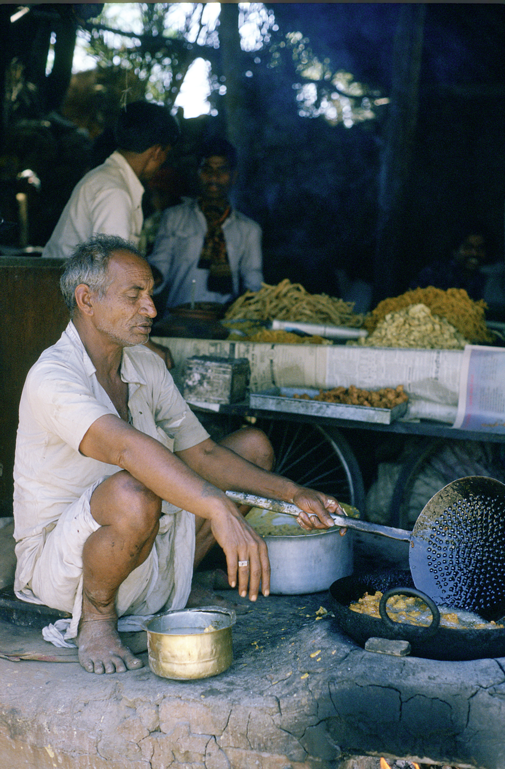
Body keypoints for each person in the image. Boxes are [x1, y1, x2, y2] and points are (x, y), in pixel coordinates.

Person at [13, 234, 344, 675]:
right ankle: (97, 617)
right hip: (66, 566)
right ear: (87, 299)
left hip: (146, 539)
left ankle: (180, 581)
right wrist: (219, 508)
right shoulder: (52, 376)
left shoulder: (144, 364)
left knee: (253, 448)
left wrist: (292, 492)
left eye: (150, 294)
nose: (151, 309)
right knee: (133, 492)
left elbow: (202, 452)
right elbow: (126, 448)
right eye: (134, 295)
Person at [41, 99, 179, 368]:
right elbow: (116, 279)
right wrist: (147, 346)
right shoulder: (115, 192)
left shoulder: (109, 179)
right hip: (66, 310)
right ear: (157, 152)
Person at [148, 137, 263, 315]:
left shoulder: (249, 230)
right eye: (207, 169)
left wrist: (248, 307)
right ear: (197, 173)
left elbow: (253, 283)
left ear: (234, 176)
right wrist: (151, 275)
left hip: (224, 322)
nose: (213, 177)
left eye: (222, 170)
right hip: (178, 320)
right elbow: (159, 264)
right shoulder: (173, 217)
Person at [410, 226, 491, 302]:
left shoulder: (488, 278)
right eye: (468, 247)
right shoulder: (434, 274)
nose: (475, 253)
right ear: (455, 251)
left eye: (480, 248)